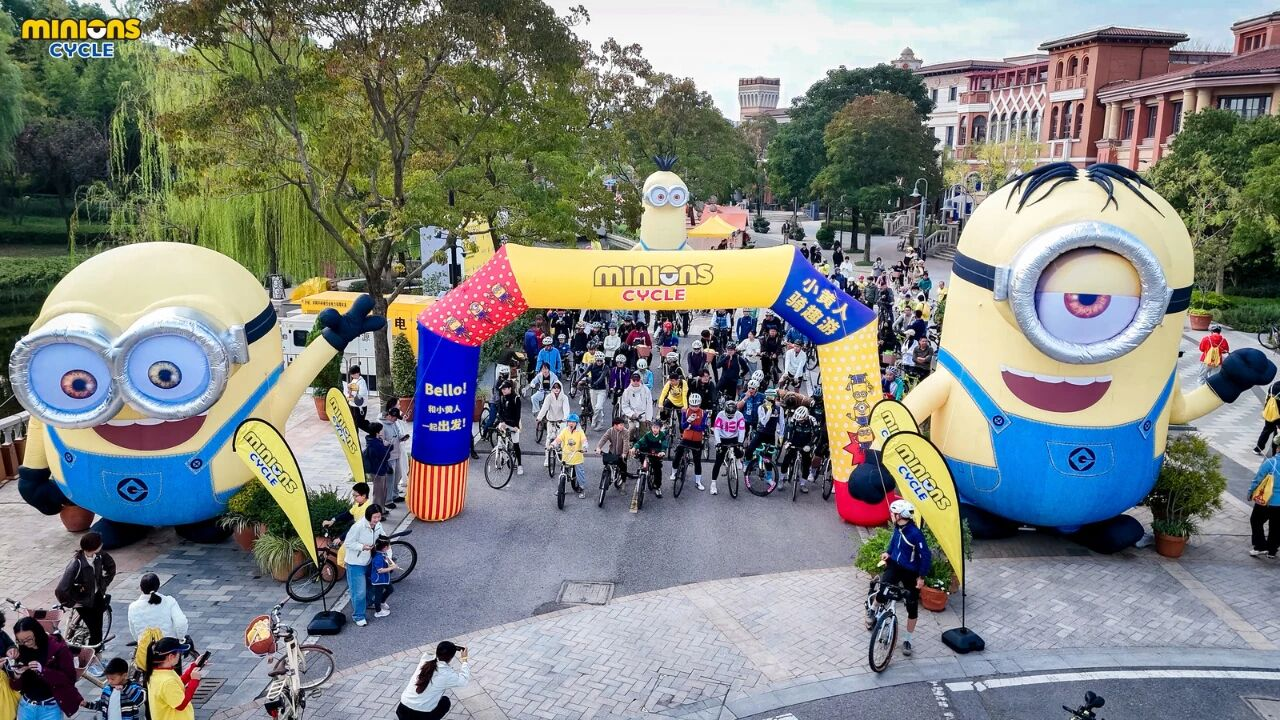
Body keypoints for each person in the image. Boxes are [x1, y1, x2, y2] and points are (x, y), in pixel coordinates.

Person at [867, 499, 931, 657]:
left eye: (893, 513)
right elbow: (894, 541)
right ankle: (872, 609)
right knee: (883, 590)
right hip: (894, 565)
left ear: (900, 515)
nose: (891, 515)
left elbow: (925, 556)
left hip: (910, 571)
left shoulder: (915, 534)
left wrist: (921, 577)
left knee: (912, 607)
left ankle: (908, 640)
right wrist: (888, 553)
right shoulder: (898, 527)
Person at [8, 617, 82, 720]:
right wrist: (17, 675)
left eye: (29, 639)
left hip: (50, 708)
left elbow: (69, 679)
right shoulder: (23, 649)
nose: (26, 643)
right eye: (21, 641)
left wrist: (43, 671)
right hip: (26, 706)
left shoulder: (58, 648)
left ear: (37, 632)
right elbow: (16, 687)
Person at [54, 531, 115, 646]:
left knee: (97, 629)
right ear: (94, 547)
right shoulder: (76, 564)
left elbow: (111, 567)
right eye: (100, 543)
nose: (102, 545)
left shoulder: (99, 555)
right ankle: (93, 653)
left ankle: (96, 650)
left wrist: (103, 584)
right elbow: (60, 590)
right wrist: (71, 603)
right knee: (95, 632)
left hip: (96, 596)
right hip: (83, 601)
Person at [396, 641, 470, 720]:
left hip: (402, 709)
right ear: (451, 658)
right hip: (421, 715)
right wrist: (464, 660)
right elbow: (463, 681)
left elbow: (431, 654)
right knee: (445, 702)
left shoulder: (425, 660)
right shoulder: (447, 674)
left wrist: (444, 648)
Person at [343, 504, 386, 627]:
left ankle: (366, 604)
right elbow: (348, 543)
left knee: (373, 585)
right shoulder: (358, 527)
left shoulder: (378, 525)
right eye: (375, 517)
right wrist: (362, 547)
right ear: (368, 516)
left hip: (369, 561)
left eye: (379, 517)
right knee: (359, 591)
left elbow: (383, 538)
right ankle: (359, 616)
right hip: (355, 563)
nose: (377, 520)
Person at [144, 636, 201, 720]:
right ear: (171, 656)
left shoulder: (157, 672)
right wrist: (194, 682)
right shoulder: (167, 681)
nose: (180, 655)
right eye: (179, 652)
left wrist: (194, 666)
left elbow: (178, 684)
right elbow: (181, 705)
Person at [128, 573, 189, 642]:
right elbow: (181, 623)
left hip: (145, 646)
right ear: (158, 586)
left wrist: (139, 641)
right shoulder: (169, 601)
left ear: (141, 588)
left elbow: (134, 632)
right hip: (168, 645)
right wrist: (180, 638)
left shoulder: (133, 607)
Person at [1249, 445, 1280, 559]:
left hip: (1266, 500)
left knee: (1256, 520)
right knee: (1276, 525)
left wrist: (1250, 492)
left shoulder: (1270, 462)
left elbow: (1258, 479)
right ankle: (1272, 551)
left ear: (1278, 449)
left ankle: (1260, 546)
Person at [710, 400, 746, 495]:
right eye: (728, 415)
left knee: (739, 453)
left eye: (732, 416)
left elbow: (742, 429)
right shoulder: (720, 415)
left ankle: (737, 459)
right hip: (722, 438)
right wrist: (718, 442)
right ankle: (713, 484)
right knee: (718, 461)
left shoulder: (739, 415)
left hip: (734, 437)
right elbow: (717, 429)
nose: (730, 417)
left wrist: (740, 442)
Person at [780, 406, 818, 493]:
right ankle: (781, 479)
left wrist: (810, 445)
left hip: (806, 443)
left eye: (801, 420)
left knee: (806, 464)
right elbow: (789, 430)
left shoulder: (812, 420)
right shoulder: (794, 419)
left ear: (806, 417)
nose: (799, 421)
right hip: (794, 441)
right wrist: (788, 441)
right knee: (786, 460)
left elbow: (816, 434)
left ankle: (803, 484)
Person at [550, 414, 588, 498]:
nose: (571, 423)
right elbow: (558, 439)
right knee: (562, 472)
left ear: (576, 423)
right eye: (569, 422)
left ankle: (582, 488)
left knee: (580, 472)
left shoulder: (580, 432)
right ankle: (560, 488)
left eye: (573, 422)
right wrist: (552, 445)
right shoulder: (565, 431)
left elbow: (584, 441)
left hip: (577, 456)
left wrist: (585, 447)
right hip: (566, 456)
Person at [379, 408, 410, 509]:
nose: (396, 419)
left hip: (397, 454)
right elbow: (380, 441)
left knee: (398, 476)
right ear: (389, 416)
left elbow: (398, 434)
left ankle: (395, 495)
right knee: (389, 479)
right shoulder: (382, 426)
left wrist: (402, 437)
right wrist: (388, 443)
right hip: (389, 457)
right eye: (395, 418)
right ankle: (388, 501)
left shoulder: (394, 423)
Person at [494, 380, 525, 476]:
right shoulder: (502, 398)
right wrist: (502, 421)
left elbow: (518, 414)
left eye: (505, 389)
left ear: (510, 388)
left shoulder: (516, 399)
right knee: (500, 437)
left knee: (516, 444)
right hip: (504, 423)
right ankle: (502, 455)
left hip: (514, 424)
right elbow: (499, 412)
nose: (503, 391)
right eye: (502, 389)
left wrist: (516, 426)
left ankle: (519, 465)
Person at [632, 419, 669, 497]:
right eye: (653, 427)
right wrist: (635, 447)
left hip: (657, 453)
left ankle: (658, 487)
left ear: (660, 428)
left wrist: (662, 451)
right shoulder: (648, 434)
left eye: (657, 428)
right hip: (648, 451)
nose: (655, 429)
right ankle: (643, 465)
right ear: (651, 427)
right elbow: (640, 441)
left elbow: (664, 444)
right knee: (640, 453)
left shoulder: (662, 435)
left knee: (657, 469)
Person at [536, 381, 572, 463]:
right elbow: (544, 408)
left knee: (562, 439)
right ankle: (547, 458)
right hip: (551, 421)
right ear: (552, 388)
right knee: (549, 439)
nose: (556, 389)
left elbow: (566, 409)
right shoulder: (549, 397)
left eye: (558, 388)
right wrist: (539, 418)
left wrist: (565, 418)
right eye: (554, 387)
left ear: (561, 388)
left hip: (561, 422)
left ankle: (564, 457)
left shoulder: (564, 398)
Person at [363, 423, 394, 510]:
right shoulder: (376, 444)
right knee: (379, 493)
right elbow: (385, 456)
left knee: (381, 492)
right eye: (380, 430)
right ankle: (377, 511)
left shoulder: (373, 441)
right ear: (377, 432)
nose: (382, 432)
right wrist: (389, 446)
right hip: (378, 470)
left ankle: (382, 510)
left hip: (377, 469)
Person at [598, 416, 632, 486]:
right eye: (621, 425)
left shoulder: (625, 432)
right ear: (615, 425)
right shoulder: (610, 431)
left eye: (623, 425)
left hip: (622, 453)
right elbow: (604, 439)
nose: (622, 426)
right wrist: (598, 447)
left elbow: (626, 443)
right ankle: (608, 476)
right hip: (612, 451)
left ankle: (623, 482)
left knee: (623, 468)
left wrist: (624, 453)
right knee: (608, 464)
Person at [370, 537, 399, 618]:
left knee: (390, 589)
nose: (390, 546)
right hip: (379, 580)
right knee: (378, 595)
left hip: (384, 578)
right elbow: (380, 570)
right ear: (385, 547)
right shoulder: (378, 557)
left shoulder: (381, 553)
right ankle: (378, 611)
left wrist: (391, 564)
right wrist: (392, 567)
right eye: (389, 545)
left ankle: (382, 602)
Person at [1255, 380, 1280, 455]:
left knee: (1266, 430)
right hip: (1278, 415)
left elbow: (1267, 399)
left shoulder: (1273, 386)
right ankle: (1274, 453)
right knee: (1277, 434)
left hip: (1270, 412)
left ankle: (1258, 448)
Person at [343, 366, 370, 432]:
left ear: (358, 373)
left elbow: (362, 393)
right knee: (354, 423)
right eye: (352, 374)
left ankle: (373, 431)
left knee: (359, 423)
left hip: (359, 406)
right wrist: (349, 392)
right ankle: (356, 437)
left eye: (354, 374)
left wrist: (352, 395)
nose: (353, 376)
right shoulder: (353, 380)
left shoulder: (362, 381)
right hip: (353, 405)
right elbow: (350, 392)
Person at [586, 354, 609, 431]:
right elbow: (584, 373)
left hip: (602, 390)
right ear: (595, 360)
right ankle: (600, 424)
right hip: (593, 390)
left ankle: (594, 419)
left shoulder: (605, 367)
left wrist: (596, 383)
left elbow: (602, 377)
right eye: (598, 360)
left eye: (601, 361)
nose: (599, 362)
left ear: (603, 361)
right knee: (595, 408)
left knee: (598, 407)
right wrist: (577, 381)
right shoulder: (592, 366)